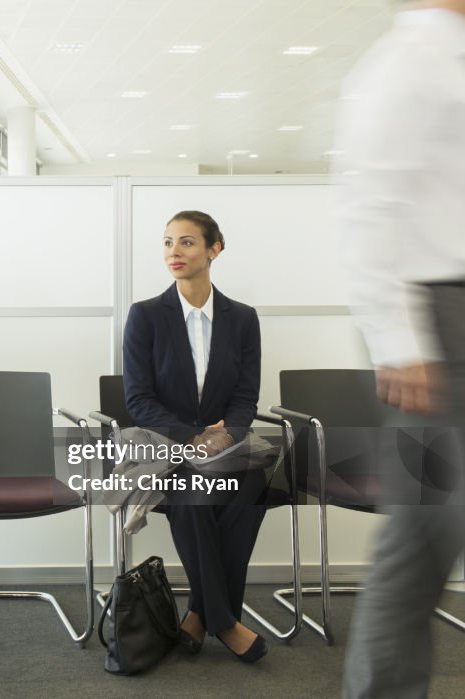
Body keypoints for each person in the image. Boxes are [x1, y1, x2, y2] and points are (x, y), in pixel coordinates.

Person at [336, 2, 465, 696]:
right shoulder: (405, 61)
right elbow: (366, 205)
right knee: (427, 527)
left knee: (421, 536)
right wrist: (398, 337)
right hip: (437, 325)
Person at [123, 210, 268, 663]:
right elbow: (138, 399)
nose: (174, 252)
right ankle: (226, 623)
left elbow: (246, 396)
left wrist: (228, 437)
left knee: (253, 487)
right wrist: (192, 439)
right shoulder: (145, 316)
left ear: (214, 249)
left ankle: (200, 615)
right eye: (167, 243)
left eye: (186, 242)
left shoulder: (242, 319)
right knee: (194, 495)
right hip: (165, 446)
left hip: (225, 446)